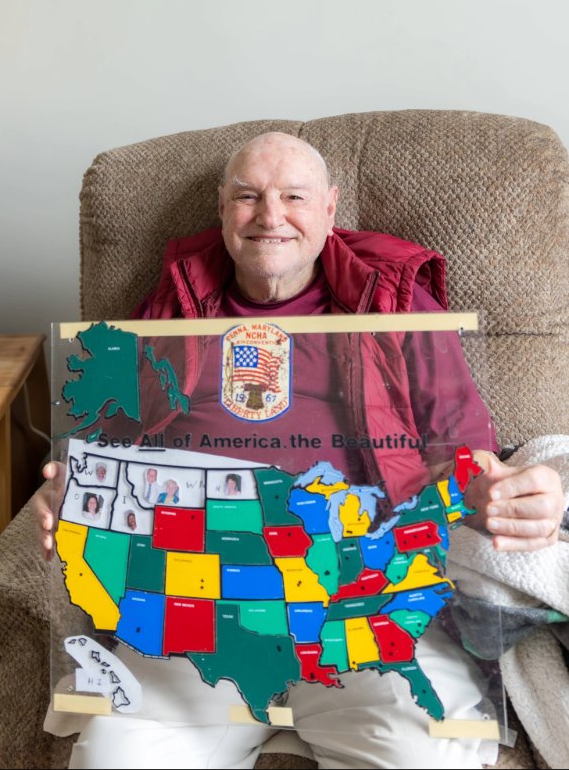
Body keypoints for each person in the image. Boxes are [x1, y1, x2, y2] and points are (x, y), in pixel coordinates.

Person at [34, 133, 565, 770]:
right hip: (197, 602)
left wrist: (501, 491)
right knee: (109, 763)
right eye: (248, 197)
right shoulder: (173, 302)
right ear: (222, 207)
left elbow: (464, 454)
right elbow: (109, 440)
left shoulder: (395, 305)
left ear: (331, 209)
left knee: (426, 762)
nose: (270, 216)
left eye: (294, 197)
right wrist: (68, 485)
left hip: (359, 597)